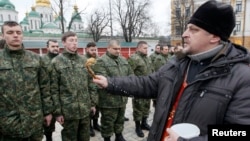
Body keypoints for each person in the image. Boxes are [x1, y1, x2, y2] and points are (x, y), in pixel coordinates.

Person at [93, 1, 250, 141]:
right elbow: (147, 84)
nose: (184, 34)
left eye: (193, 30)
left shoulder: (242, 77)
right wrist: (110, 82)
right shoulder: (179, 62)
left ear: (214, 37)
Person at [0, 21, 53, 140]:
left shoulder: (35, 59)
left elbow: (44, 87)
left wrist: (48, 112)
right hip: (7, 123)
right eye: (10, 32)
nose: (15, 35)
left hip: (34, 120)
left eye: (18, 32)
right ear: (3, 35)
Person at [50, 31, 96, 141]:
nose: (74, 43)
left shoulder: (84, 60)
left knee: (85, 138)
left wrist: (93, 103)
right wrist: (57, 112)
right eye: (71, 41)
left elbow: (91, 82)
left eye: (76, 41)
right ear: (64, 43)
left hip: (85, 109)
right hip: (68, 111)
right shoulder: (56, 62)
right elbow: (53, 89)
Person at [92, 39, 133, 141]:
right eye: (115, 49)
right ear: (108, 48)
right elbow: (102, 80)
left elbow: (131, 75)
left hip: (122, 98)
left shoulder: (123, 60)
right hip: (108, 101)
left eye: (119, 49)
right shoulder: (101, 61)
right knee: (108, 122)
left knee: (120, 120)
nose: (118, 51)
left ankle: (119, 135)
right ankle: (107, 138)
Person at [127, 41, 154, 138]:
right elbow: (129, 72)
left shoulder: (147, 58)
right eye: (144, 48)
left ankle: (144, 123)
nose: (146, 50)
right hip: (139, 88)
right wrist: (135, 85)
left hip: (148, 87)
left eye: (147, 48)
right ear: (138, 48)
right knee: (138, 108)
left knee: (147, 106)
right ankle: (137, 126)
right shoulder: (134, 58)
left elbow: (151, 71)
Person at [42, 39, 60, 141]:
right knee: (48, 125)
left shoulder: (62, 59)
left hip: (62, 97)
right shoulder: (42, 61)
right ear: (47, 48)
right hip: (48, 97)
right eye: (53, 46)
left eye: (57, 46)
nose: (56, 48)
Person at [84, 41, 100, 137]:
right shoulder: (84, 60)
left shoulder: (98, 59)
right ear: (87, 50)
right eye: (92, 50)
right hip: (89, 88)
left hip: (98, 87)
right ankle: (89, 126)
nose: (94, 51)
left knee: (97, 108)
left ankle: (95, 124)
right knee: (90, 109)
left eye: (95, 49)